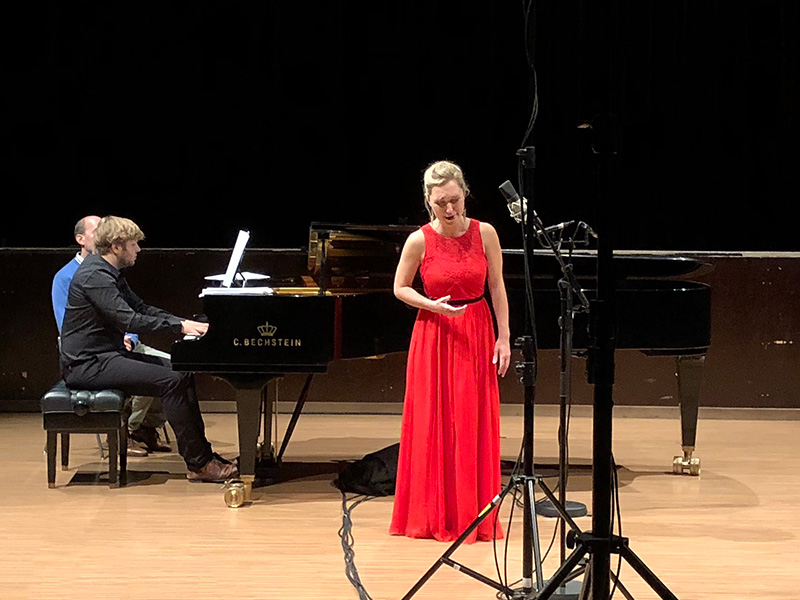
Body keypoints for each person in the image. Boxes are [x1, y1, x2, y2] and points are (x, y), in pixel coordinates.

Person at [59, 215, 237, 482]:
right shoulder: (95, 276)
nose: (138, 249)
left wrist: (182, 322)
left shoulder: (108, 272)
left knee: (182, 371)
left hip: (106, 355)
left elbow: (141, 308)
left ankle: (203, 457)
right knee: (171, 380)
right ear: (116, 247)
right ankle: (199, 464)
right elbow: (129, 320)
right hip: (87, 364)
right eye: (134, 244)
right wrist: (179, 327)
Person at [389, 160, 511, 543]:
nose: (449, 208)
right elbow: (399, 287)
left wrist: (504, 337)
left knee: (472, 421)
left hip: (476, 331)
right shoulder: (419, 240)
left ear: (465, 194)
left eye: (454, 199)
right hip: (435, 333)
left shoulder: (485, 233)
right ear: (429, 200)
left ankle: (473, 513)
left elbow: (497, 286)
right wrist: (431, 305)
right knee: (434, 422)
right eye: (440, 202)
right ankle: (433, 514)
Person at [51, 216, 170, 456]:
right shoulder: (67, 276)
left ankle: (144, 427)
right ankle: (128, 430)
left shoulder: (110, 269)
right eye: (97, 230)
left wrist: (130, 337)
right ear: (80, 239)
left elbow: (127, 310)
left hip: (121, 342)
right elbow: (68, 325)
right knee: (160, 375)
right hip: (96, 350)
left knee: (173, 365)